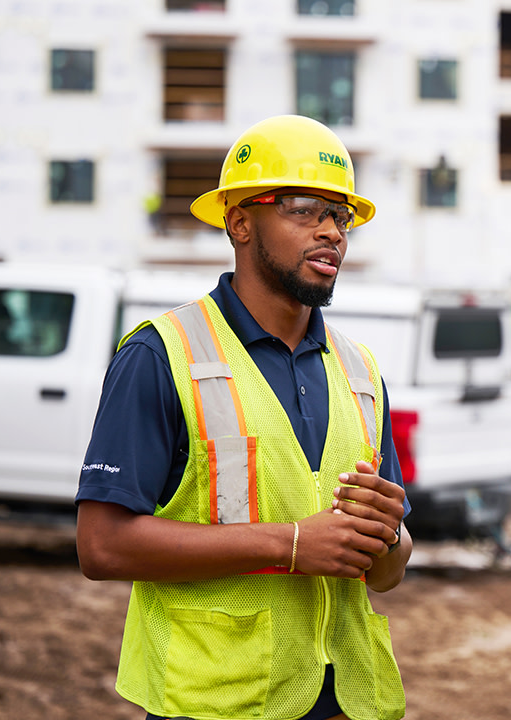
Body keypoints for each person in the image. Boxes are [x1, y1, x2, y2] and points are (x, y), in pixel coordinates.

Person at [76, 115, 412, 720]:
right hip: (216, 701)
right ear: (240, 222)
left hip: (344, 700)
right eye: (305, 209)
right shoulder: (161, 354)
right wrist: (289, 545)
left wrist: (388, 536)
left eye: (341, 216)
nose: (332, 232)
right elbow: (101, 547)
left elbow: (385, 573)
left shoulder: (359, 371)